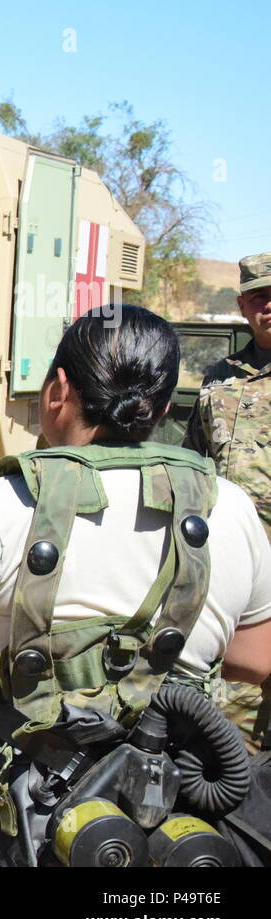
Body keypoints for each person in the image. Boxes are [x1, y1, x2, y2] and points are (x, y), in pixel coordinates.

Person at [0, 305, 271, 866]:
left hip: (30, 810)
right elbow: (254, 660)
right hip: (181, 809)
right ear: (163, 406)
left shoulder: (5, 505)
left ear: (57, 390)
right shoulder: (230, 509)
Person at [184, 252, 271, 754]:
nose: (269, 306)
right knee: (230, 731)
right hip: (236, 576)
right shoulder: (221, 379)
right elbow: (199, 466)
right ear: (242, 305)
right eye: (259, 296)